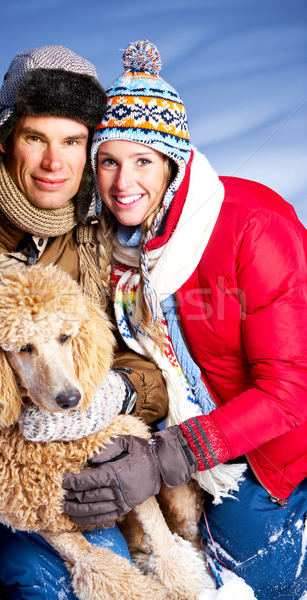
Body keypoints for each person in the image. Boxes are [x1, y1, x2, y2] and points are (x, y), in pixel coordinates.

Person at [0, 45, 170, 599]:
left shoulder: (92, 236)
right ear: (3, 139)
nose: (56, 163)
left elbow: (128, 349)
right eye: (36, 139)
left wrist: (119, 392)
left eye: (73, 141)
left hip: (39, 449)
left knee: (77, 579)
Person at [63, 40, 307, 600]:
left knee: (262, 583)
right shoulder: (113, 249)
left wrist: (164, 457)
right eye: (108, 160)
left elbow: (291, 392)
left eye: (142, 160)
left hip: (283, 437)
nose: (123, 183)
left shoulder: (251, 228)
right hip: (215, 431)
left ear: (174, 162)